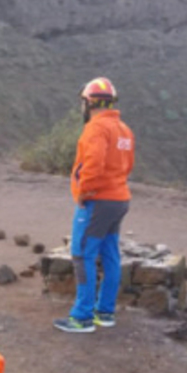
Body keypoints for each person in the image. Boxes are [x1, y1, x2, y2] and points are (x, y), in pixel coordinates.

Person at [54, 77, 135, 333]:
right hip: (119, 199)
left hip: (98, 201)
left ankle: (82, 317)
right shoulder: (124, 129)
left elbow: (93, 165)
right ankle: (105, 312)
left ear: (90, 103)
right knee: (110, 254)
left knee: (82, 255)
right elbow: (128, 165)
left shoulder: (96, 129)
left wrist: (84, 192)